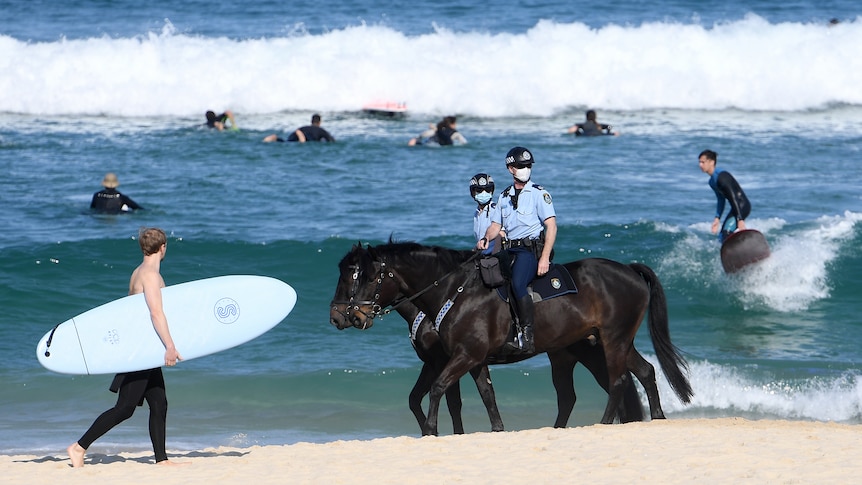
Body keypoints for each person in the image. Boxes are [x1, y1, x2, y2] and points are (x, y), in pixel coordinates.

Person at [67, 227, 185, 468]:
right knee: (125, 408)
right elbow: (155, 312)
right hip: (140, 351)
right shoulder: (150, 276)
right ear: (163, 248)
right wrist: (170, 346)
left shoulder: (139, 272)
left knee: (159, 403)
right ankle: (79, 447)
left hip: (145, 350)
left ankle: (161, 459)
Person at [476, 147, 557, 353]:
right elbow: (495, 226)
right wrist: (486, 238)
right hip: (509, 250)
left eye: (528, 166)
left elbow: (551, 226)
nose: (525, 169)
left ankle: (527, 336)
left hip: (530, 251)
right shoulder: (504, 196)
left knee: (518, 283)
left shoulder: (540, 193)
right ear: (511, 169)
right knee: (485, 276)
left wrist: (544, 258)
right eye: (521, 166)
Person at [698, 149, 751, 243]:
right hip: (736, 208)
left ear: (712, 162)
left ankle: (744, 246)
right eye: (699, 162)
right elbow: (721, 200)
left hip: (742, 206)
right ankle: (736, 249)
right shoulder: (712, 182)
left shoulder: (722, 176)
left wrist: (740, 219)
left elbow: (733, 196)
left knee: (726, 233)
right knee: (722, 236)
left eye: (703, 162)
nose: (700, 165)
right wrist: (717, 218)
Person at [262, 114, 335, 143]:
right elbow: (331, 140)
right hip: (306, 137)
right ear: (319, 122)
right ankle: (302, 139)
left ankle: (275, 138)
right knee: (304, 142)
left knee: (286, 142)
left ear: (311, 121)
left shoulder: (304, 127)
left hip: (298, 132)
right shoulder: (321, 130)